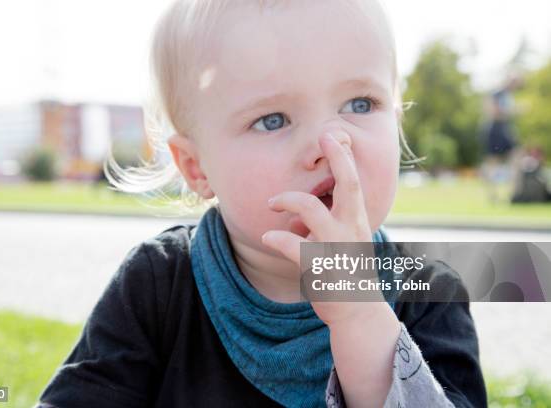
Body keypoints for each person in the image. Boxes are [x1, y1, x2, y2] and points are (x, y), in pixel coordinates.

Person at [36, 1, 487, 407]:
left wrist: (360, 313)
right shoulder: (158, 283)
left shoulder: (429, 289)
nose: (330, 143)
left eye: (360, 102)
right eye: (272, 120)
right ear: (197, 168)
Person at [481, 72, 524, 202]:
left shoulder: (509, 95)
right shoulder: (497, 93)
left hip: (505, 129)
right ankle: (492, 195)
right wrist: (514, 110)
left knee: (517, 156)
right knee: (492, 162)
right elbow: (492, 111)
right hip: (494, 129)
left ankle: (514, 194)